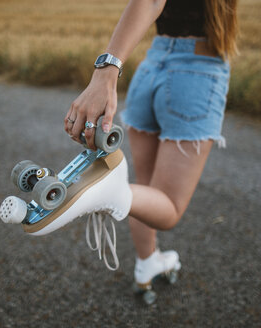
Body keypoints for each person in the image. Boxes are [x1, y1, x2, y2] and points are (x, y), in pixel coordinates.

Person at [63, 0, 238, 279]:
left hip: (152, 65)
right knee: (169, 206)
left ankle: (147, 262)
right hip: (197, 74)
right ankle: (103, 193)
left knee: (144, 190)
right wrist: (105, 74)